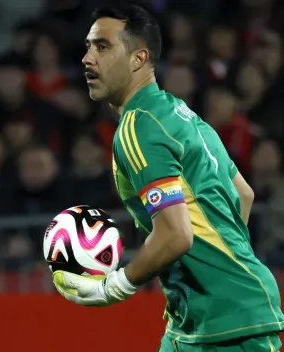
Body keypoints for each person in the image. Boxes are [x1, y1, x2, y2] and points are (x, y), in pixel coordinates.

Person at [52, 4, 284, 352]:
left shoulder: (139, 126)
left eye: (102, 47)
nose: (87, 58)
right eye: (87, 46)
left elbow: (175, 234)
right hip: (204, 316)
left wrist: (112, 286)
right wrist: (213, 269)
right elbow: (243, 194)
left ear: (138, 58)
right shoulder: (181, 114)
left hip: (226, 326)